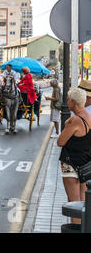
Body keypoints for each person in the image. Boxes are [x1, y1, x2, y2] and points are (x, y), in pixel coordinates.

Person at [57, 87, 91, 225]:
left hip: (71, 164)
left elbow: (60, 141)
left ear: (73, 101)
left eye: (68, 100)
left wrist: (67, 124)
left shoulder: (74, 120)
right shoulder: (88, 115)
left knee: (74, 204)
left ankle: (76, 228)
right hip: (85, 164)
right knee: (82, 201)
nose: (67, 102)